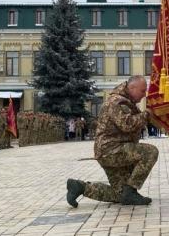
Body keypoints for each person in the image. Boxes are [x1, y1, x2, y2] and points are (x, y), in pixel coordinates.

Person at [66, 75, 158, 207]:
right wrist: (147, 114)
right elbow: (127, 124)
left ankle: (80, 187)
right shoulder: (117, 102)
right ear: (132, 87)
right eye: (142, 91)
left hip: (110, 151)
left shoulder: (125, 101)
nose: (144, 95)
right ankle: (131, 191)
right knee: (150, 152)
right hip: (111, 151)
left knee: (121, 195)